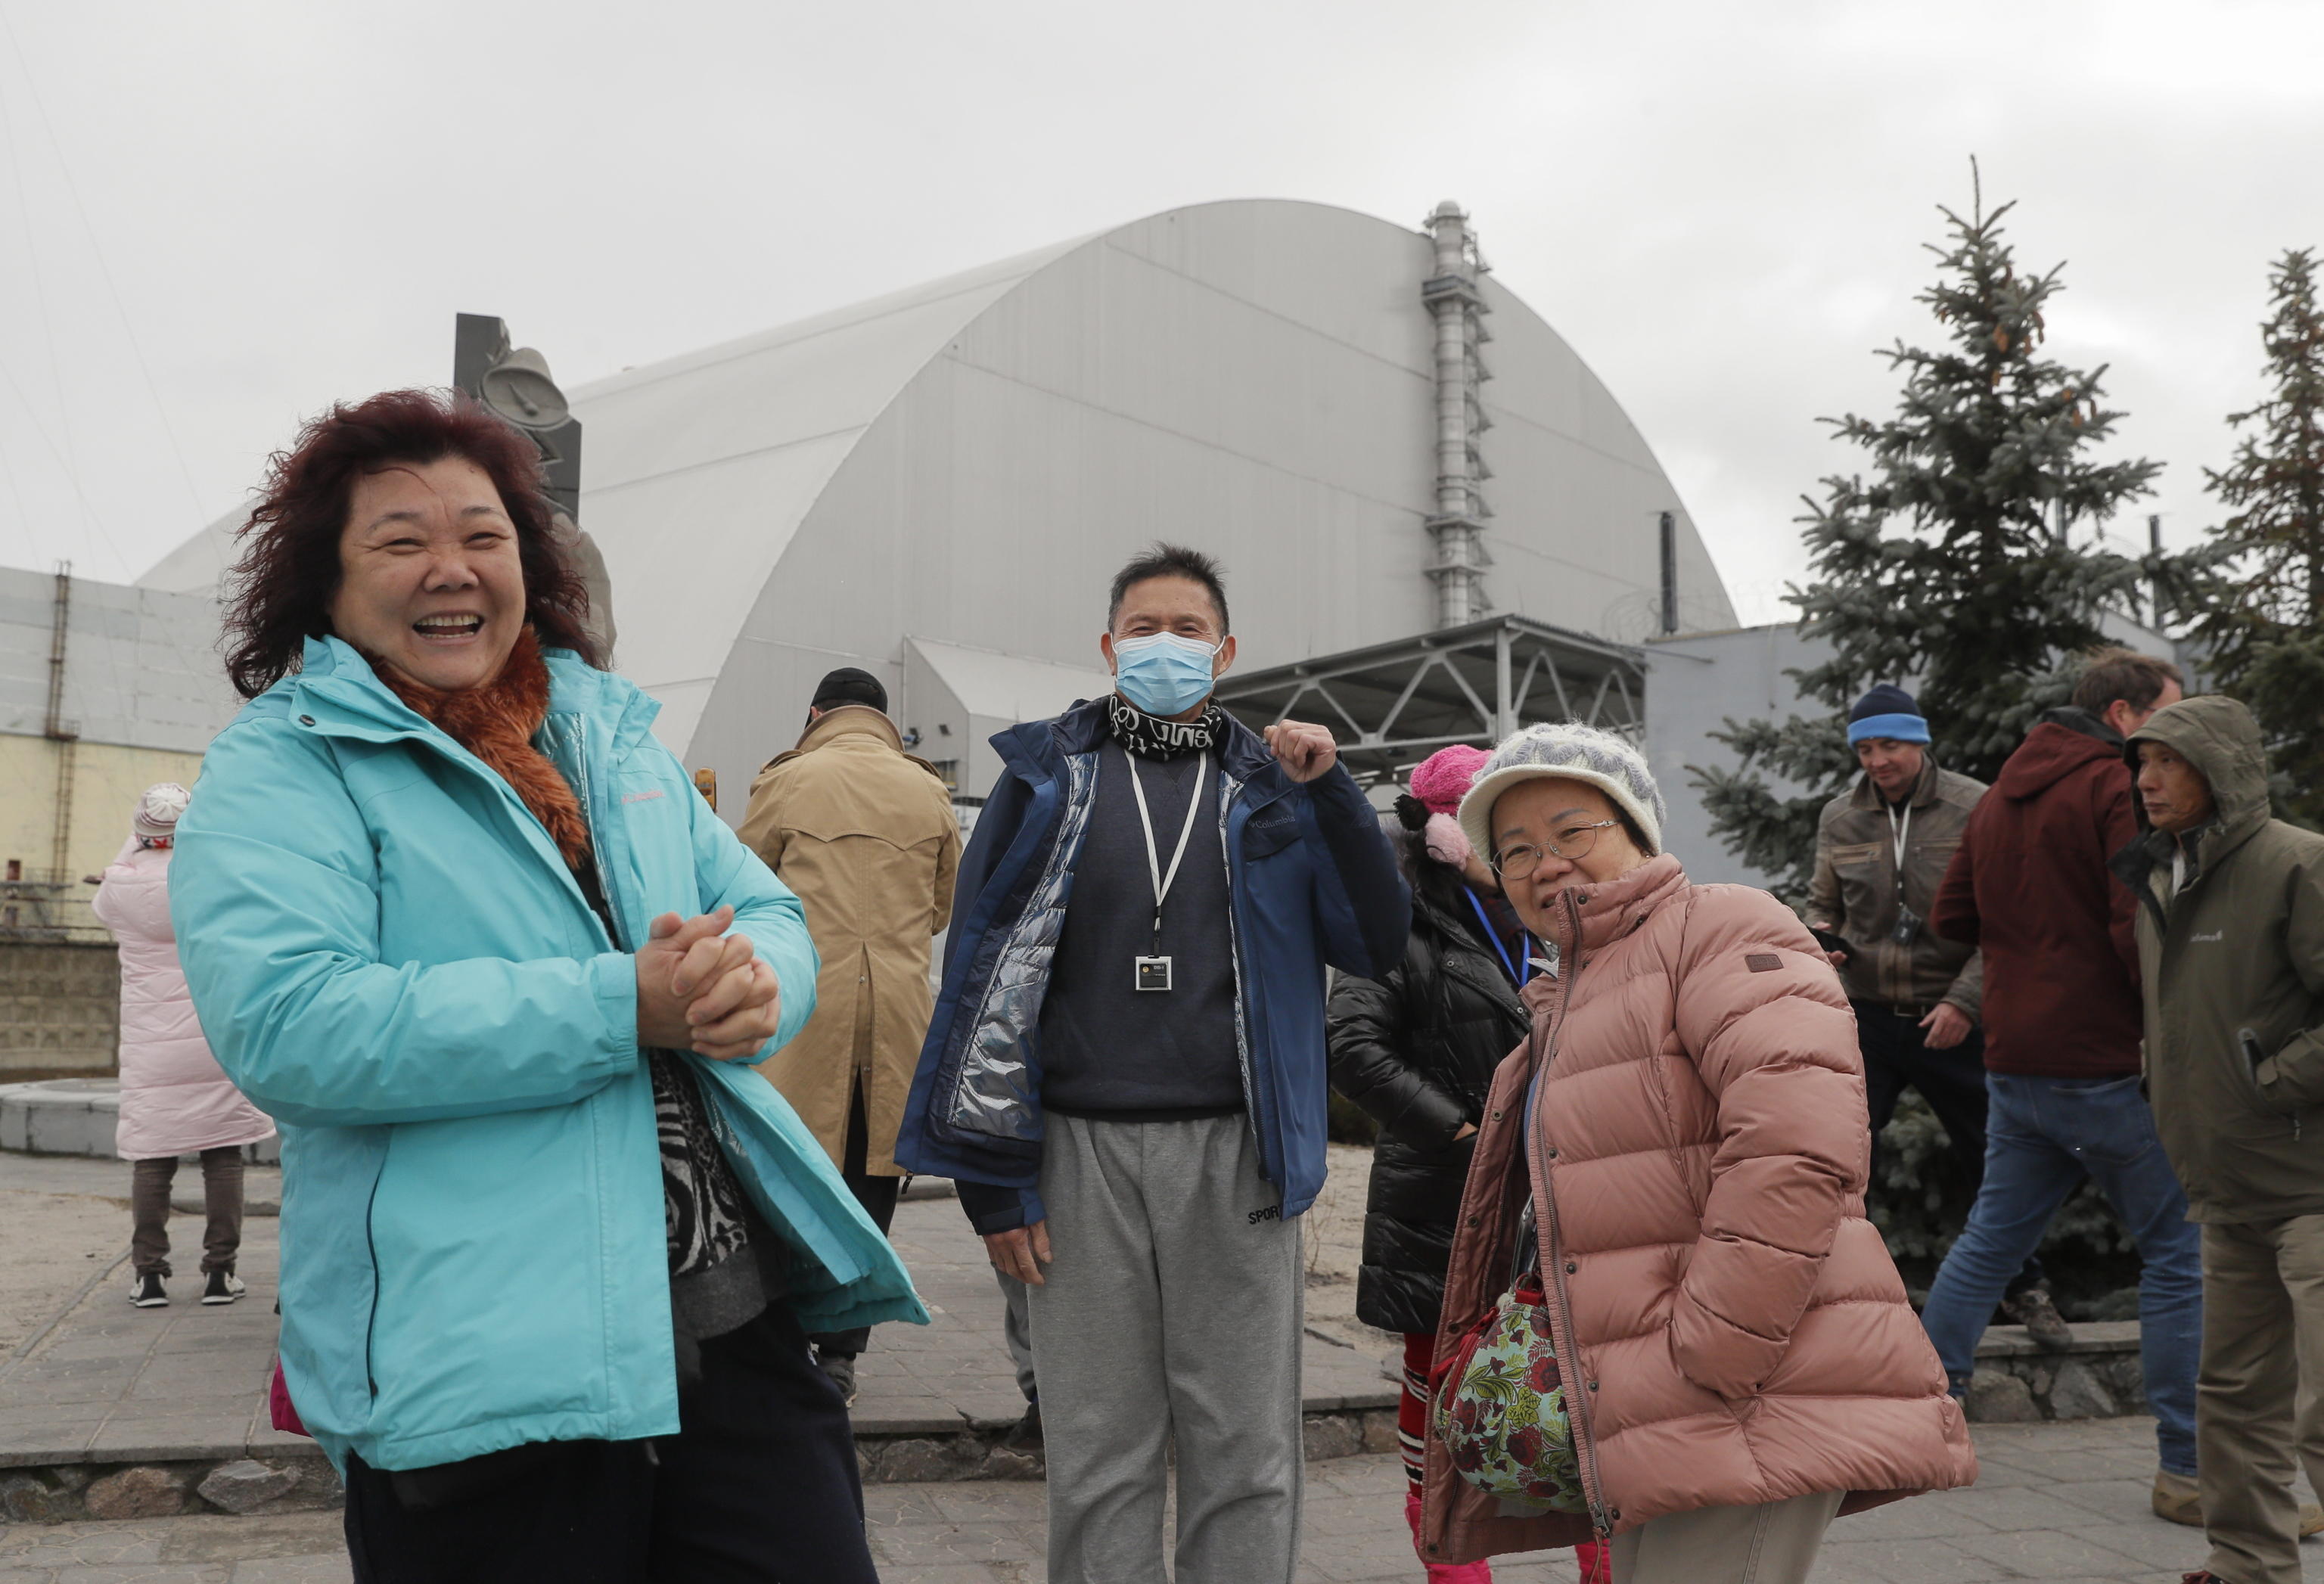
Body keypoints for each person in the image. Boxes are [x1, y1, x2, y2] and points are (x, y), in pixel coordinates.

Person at [170, 390, 922, 1584]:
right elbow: (293, 1024)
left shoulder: (605, 738)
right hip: (484, 1363)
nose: (450, 568)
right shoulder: (286, 766)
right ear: (325, 581)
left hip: (731, 1325)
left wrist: (749, 983)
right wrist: (623, 1004)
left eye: (484, 535)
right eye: (401, 541)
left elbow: (770, 911)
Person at [896, 542, 1409, 1584]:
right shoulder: (1045, 778)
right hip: (1076, 1157)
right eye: (1144, 628)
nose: (1164, 644)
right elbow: (981, 978)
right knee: (1097, 1452)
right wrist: (993, 1182)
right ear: (1107, 646)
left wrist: (1337, 797)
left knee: (1246, 1454)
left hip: (1238, 1151)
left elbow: (1373, 941)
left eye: (1187, 629)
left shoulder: (1273, 786)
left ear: (1225, 651)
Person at [1418, 722, 1976, 1584]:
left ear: (1640, 831)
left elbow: (1797, 1145)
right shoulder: (1577, 990)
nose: (1545, 864)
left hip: (1744, 1391)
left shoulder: (1720, 927)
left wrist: (1716, 1354)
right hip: (1660, 1401)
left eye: (1572, 831)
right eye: (1516, 849)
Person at [1918, 650, 2205, 1516]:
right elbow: (2132, 926)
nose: (2171, 742)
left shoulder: (2002, 794)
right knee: (2179, 1255)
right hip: (2102, 1063)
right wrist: (2166, 1024)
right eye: (2166, 717)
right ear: (2123, 716)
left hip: (2016, 1061)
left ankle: (1919, 1427)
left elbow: (1951, 917)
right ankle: (2188, 1468)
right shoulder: (2116, 787)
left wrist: (2026, 940)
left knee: (1988, 1245)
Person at [1328, 744, 1605, 1584]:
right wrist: (1463, 1131)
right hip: (1441, 1204)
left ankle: (1608, 1568)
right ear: (1444, 835)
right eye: (1494, 830)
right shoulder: (1396, 924)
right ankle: (1454, 1571)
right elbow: (1351, 1043)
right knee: (1437, 1398)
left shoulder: (1562, 919)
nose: (1517, 849)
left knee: (1592, 1403)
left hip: (1565, 1200)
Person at [2113, 694, 2324, 1584]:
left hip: (2312, 1184)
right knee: (2234, 1402)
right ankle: (2247, 1566)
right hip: (2227, 1187)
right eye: (2141, 762)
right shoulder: (2162, 881)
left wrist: (2269, 1082)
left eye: (2169, 761)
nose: (2147, 780)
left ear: (2222, 771)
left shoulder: (2298, 863)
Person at [1807, 682, 2067, 1344]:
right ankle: (1826, 1292)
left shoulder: (1976, 806)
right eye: (1864, 749)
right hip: (1868, 1016)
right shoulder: (1840, 816)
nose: (1877, 761)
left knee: (1994, 1160)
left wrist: (1963, 1002)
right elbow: (1823, 904)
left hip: (1954, 1017)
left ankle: (2026, 1288)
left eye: (1889, 746)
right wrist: (1821, 940)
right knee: (1840, 1153)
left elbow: (2007, 921)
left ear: (1919, 743)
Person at [738, 664, 960, 1405]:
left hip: (803, 1016)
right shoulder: (928, 791)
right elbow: (940, 909)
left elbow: (740, 888)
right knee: (870, 1185)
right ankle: (840, 1354)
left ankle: (780, 1340)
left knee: (787, 1176)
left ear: (815, 714)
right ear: (884, 719)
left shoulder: (787, 781)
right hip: (897, 1020)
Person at [92, 782, 275, 1309]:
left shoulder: (118, 889)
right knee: (223, 1154)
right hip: (211, 1033)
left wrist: (137, 845)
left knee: (153, 1158)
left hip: (152, 1046)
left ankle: (150, 1276)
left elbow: (106, 896)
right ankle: (220, 1272)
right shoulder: (209, 879)